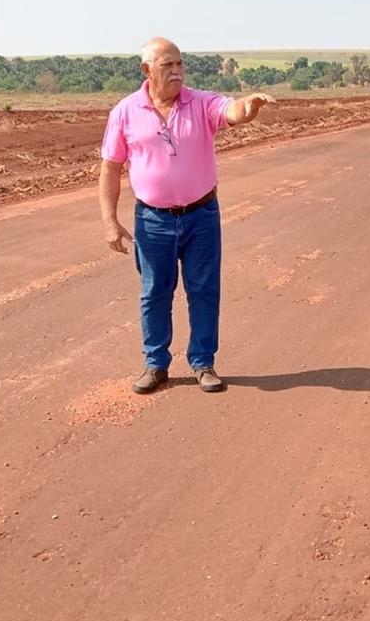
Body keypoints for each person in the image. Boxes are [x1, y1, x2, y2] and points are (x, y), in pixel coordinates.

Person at [99, 37, 273, 394]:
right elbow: (111, 168)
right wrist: (109, 221)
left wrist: (249, 106)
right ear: (147, 70)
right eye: (168, 65)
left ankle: (203, 362)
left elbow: (231, 111)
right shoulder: (125, 112)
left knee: (204, 290)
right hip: (151, 221)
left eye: (180, 64)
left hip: (201, 216)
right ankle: (155, 364)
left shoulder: (200, 102)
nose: (177, 71)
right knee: (154, 293)